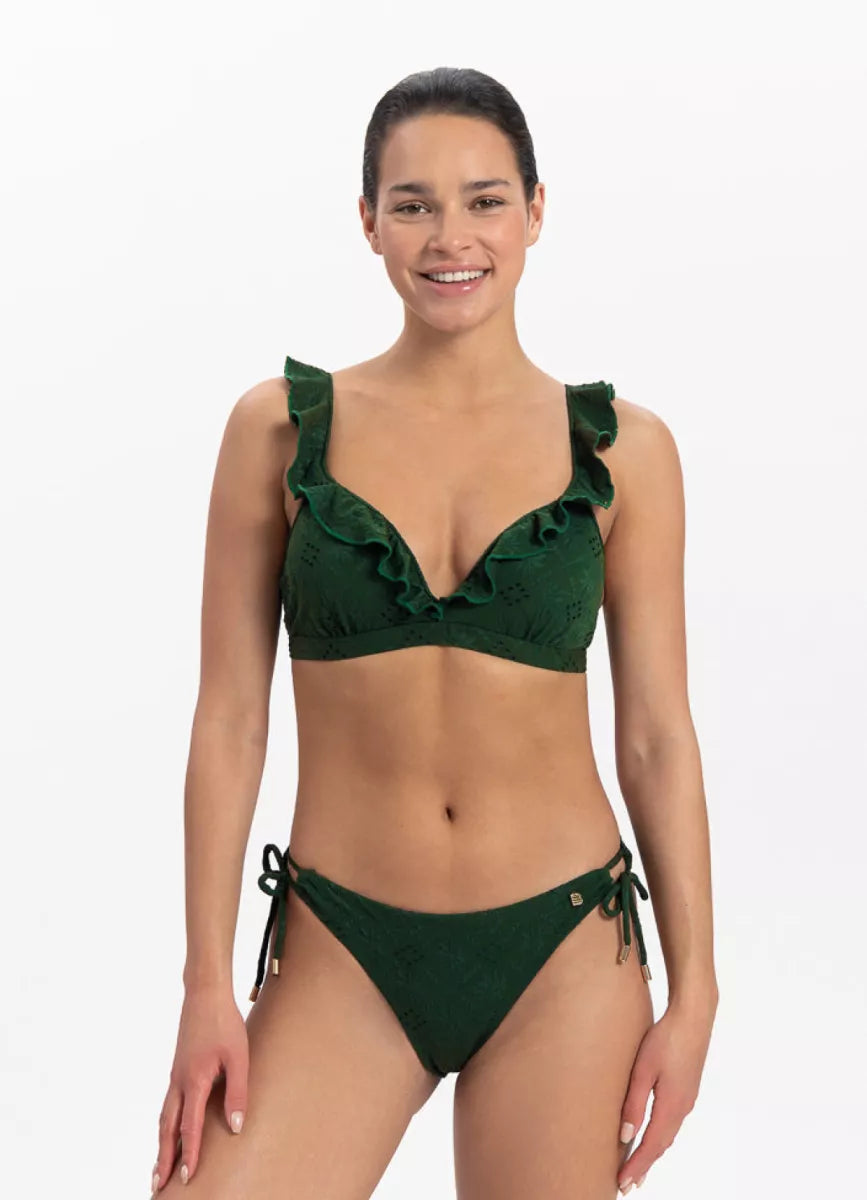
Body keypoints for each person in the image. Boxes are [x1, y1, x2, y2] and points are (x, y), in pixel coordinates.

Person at [150, 66, 718, 1199]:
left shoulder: (624, 452)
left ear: (535, 212)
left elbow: (656, 736)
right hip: (340, 947)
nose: (450, 236)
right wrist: (206, 982)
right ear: (368, 221)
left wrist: (696, 989)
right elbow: (230, 720)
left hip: (563, 948)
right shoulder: (279, 432)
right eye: (412, 204)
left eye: (484, 200)